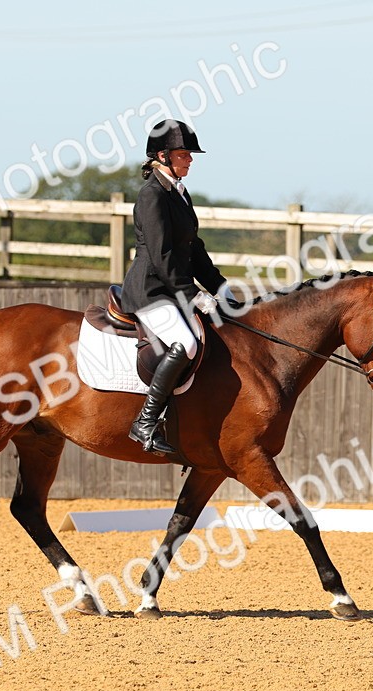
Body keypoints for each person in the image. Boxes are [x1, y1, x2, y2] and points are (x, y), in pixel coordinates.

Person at [119, 119, 228, 457]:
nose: (190, 160)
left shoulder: (178, 192)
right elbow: (163, 255)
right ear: (163, 156)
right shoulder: (152, 195)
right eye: (184, 154)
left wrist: (221, 288)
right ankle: (146, 421)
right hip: (151, 290)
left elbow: (194, 249)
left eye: (190, 154)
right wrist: (193, 294)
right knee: (187, 343)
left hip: (171, 288)